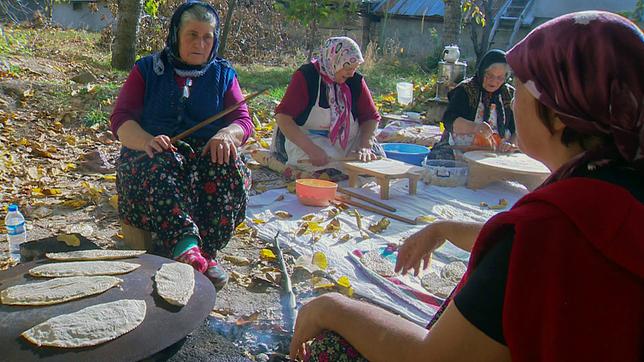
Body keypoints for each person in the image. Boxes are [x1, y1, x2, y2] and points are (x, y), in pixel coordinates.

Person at [290, 11, 643, 361]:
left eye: (518, 86)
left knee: (329, 345)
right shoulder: (618, 184)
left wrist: (330, 308)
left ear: (557, 116)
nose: (510, 96)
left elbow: (433, 358)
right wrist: (445, 228)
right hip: (318, 148)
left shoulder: (542, 232)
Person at [110, 1, 254, 289]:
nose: (200, 43)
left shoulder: (223, 74)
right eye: (192, 34)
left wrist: (228, 134)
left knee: (226, 163)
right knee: (160, 161)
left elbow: (242, 119)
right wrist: (146, 140)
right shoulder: (148, 70)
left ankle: (207, 252)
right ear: (176, 34)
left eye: (207, 36)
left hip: (201, 162)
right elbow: (120, 119)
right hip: (152, 160)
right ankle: (185, 246)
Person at [271, 37, 383, 170]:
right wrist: (312, 150)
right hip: (308, 140)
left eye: (355, 68)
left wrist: (365, 146)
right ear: (334, 60)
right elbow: (283, 118)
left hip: (347, 142)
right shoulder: (307, 77)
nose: (351, 73)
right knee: (329, 170)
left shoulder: (355, 81)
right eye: (347, 67)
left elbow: (370, 117)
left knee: (374, 163)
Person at [429, 49, 516, 160]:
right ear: (482, 71)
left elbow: (517, 128)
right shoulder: (465, 90)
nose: (494, 81)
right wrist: (475, 128)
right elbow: (449, 120)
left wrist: (510, 143)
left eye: (500, 77)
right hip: (462, 149)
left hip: (496, 153)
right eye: (489, 75)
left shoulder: (508, 94)